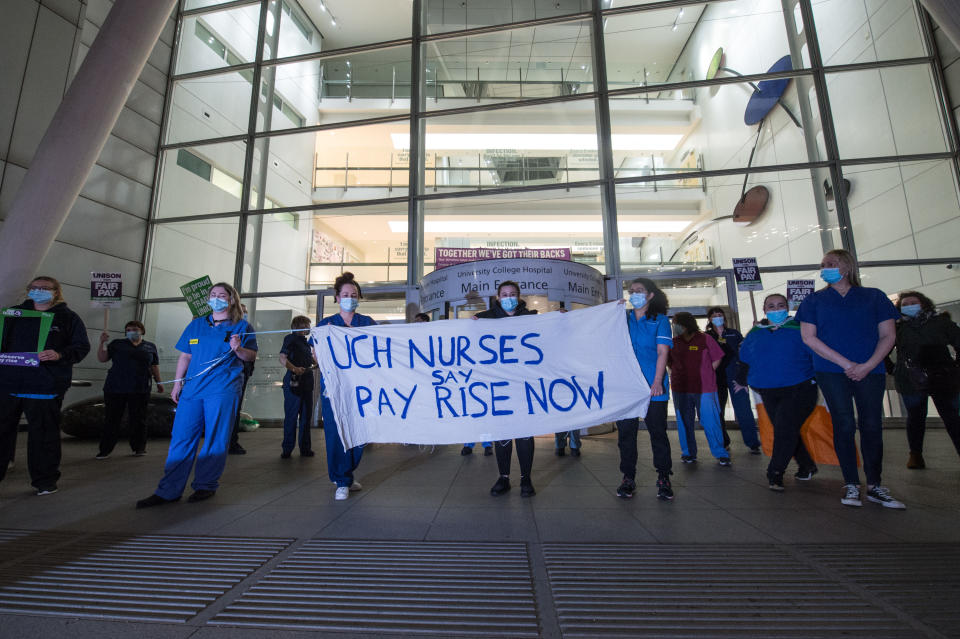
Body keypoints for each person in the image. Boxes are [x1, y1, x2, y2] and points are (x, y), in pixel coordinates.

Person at [797, 249, 904, 509]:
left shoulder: (874, 297)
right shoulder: (814, 301)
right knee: (843, 424)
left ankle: (875, 485)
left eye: (831, 263)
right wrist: (847, 364)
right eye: (823, 264)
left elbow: (888, 336)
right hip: (832, 371)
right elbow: (809, 338)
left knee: (871, 425)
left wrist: (867, 365)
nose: (826, 268)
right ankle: (852, 484)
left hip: (871, 371)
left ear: (847, 266)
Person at [136, 282, 257, 508]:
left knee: (215, 438)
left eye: (222, 295)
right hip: (192, 389)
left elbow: (250, 357)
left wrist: (238, 348)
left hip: (223, 389)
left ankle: (205, 485)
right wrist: (177, 384)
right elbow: (186, 357)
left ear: (232, 300)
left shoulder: (242, 326)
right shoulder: (196, 325)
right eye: (213, 295)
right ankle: (168, 490)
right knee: (181, 437)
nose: (217, 298)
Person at [0, 276, 90, 495]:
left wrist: (60, 354)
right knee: (1, 432)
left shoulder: (68, 318)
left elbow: (81, 347)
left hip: (45, 385)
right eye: (34, 288)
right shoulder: (12, 314)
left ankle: (45, 481)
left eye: (45, 288)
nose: (38, 291)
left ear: (56, 292)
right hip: (9, 382)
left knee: (43, 434)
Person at [737, 293, 818, 491]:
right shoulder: (756, 332)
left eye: (780, 305)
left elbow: (818, 354)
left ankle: (775, 471)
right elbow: (745, 358)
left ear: (788, 307)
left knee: (784, 429)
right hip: (768, 390)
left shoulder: (801, 329)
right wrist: (741, 381)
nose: (776, 309)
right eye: (771, 306)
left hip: (800, 388)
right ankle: (806, 465)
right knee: (787, 430)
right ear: (764, 310)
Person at [475, 280, 538, 497]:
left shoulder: (531, 319)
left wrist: (561, 319)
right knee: (502, 434)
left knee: (524, 435)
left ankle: (526, 479)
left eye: (513, 294)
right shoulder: (484, 319)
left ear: (519, 297)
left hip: (523, 387)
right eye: (504, 294)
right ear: (498, 297)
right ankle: (503, 478)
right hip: (498, 388)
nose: (509, 297)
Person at [614, 278, 674, 500]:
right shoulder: (622, 319)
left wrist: (657, 381)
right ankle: (628, 478)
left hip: (653, 387)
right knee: (626, 435)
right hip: (627, 388)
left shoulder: (659, 320)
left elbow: (662, 352)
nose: (634, 294)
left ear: (650, 295)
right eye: (631, 291)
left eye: (639, 291)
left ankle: (664, 477)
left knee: (658, 434)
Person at [317, 272, 374, 501]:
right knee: (336, 433)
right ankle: (340, 480)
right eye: (345, 294)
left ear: (359, 298)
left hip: (361, 388)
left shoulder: (367, 323)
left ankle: (347, 475)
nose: (350, 298)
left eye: (354, 294)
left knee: (359, 433)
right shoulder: (325, 324)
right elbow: (316, 353)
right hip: (334, 388)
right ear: (337, 298)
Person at [891, 291, 960, 469]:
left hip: (942, 376)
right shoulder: (897, 327)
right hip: (910, 378)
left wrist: (955, 366)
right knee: (915, 417)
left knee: (952, 417)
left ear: (924, 303)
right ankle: (915, 454)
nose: (909, 306)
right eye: (905, 304)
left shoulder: (940, 322)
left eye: (913, 302)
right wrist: (891, 368)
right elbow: (884, 346)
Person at [96, 320, 163, 459]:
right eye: (128, 330)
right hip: (115, 387)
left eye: (134, 329)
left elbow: (154, 366)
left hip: (140, 388)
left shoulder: (150, 347)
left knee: (139, 419)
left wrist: (159, 382)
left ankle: (139, 447)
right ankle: (105, 449)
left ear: (142, 331)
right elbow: (102, 359)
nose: (131, 331)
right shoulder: (117, 344)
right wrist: (102, 342)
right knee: (112, 419)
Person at [669, 311, 730, 466]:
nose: (673, 326)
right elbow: (670, 363)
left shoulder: (705, 339)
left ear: (685, 324)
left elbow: (717, 357)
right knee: (684, 422)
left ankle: (720, 452)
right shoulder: (673, 342)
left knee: (711, 421)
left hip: (705, 389)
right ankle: (688, 453)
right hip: (680, 389)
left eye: (675, 322)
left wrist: (707, 372)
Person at [705, 307, 760, 454]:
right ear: (709, 319)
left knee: (743, 409)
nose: (718, 317)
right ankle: (724, 442)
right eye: (714, 315)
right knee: (718, 411)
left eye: (720, 315)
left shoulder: (734, 334)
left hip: (735, 377)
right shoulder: (707, 336)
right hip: (716, 378)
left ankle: (752, 442)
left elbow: (744, 352)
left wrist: (743, 377)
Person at [279, 315, 317, 459]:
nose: (308, 327)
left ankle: (305, 448)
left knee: (306, 417)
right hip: (294, 381)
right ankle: (287, 448)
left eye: (308, 324)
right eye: (306, 324)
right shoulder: (290, 338)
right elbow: (282, 357)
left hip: (307, 381)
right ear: (297, 326)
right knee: (291, 416)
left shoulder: (306, 344)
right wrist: (294, 368)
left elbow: (314, 361)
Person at [228, 303, 253, 455]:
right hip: (228, 376)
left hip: (242, 374)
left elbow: (251, 354)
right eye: (242, 312)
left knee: (235, 409)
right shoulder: (229, 330)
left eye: (246, 312)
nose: (244, 314)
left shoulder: (247, 331)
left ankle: (232, 441)